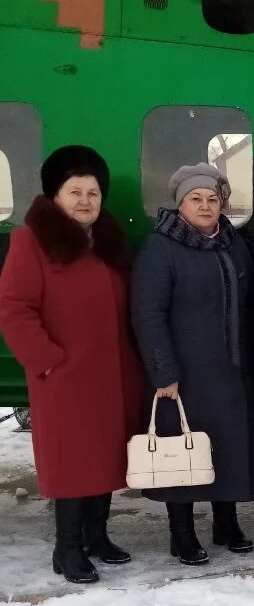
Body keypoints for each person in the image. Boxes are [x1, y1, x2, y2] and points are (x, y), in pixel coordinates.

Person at [0, 146, 143, 584]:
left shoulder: (107, 244)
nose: (85, 201)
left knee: (105, 458)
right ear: (55, 197)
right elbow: (14, 307)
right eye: (75, 191)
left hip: (115, 376)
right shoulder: (32, 242)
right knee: (72, 463)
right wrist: (47, 362)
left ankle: (97, 536)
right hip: (65, 378)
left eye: (93, 192)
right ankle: (67, 548)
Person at [131, 163, 254, 566]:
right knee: (181, 453)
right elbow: (147, 313)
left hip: (229, 370)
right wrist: (163, 371)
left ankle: (226, 522)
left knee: (226, 448)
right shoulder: (161, 248)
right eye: (195, 199)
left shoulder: (232, 242)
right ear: (180, 204)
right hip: (183, 375)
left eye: (212, 199)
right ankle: (182, 534)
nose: (205, 206)